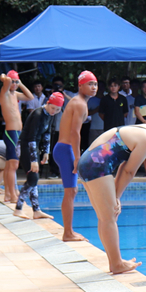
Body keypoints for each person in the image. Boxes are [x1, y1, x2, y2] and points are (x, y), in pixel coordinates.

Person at [81, 111, 146, 274]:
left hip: (88, 162)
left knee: (106, 217)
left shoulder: (140, 129)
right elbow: (129, 171)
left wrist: (116, 195)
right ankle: (116, 263)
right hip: (97, 166)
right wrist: (116, 197)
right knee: (109, 216)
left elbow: (124, 167)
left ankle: (114, 261)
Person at [53, 71, 98, 242]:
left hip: (63, 148)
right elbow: (75, 133)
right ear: (81, 86)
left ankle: (68, 231)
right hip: (66, 149)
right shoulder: (79, 103)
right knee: (71, 191)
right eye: (90, 84)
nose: (93, 87)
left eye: (95, 84)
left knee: (72, 191)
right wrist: (78, 157)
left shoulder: (77, 102)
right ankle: (68, 233)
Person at [14, 92, 63, 219]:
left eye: (58, 110)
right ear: (48, 103)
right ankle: (18, 208)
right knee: (33, 177)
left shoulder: (49, 115)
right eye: (53, 108)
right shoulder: (38, 114)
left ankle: (36, 211)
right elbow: (31, 137)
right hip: (25, 146)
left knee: (34, 178)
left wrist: (46, 152)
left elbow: (47, 134)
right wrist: (33, 159)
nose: (54, 111)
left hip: (32, 146)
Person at [0, 71, 34, 205]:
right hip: (11, 132)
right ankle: (13, 194)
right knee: (13, 164)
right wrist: (4, 77)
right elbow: (6, 81)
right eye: (12, 82)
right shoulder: (5, 92)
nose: (14, 84)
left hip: (17, 131)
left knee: (9, 165)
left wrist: (20, 83)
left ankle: (8, 193)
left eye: (16, 82)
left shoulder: (15, 94)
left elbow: (30, 97)